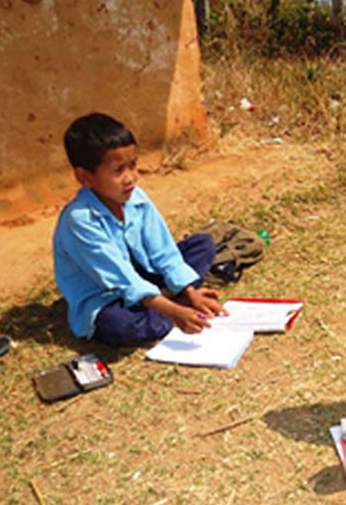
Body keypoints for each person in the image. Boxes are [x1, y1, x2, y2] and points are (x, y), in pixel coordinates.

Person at [53, 112, 226, 347]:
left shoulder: (136, 198)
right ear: (85, 177)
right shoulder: (79, 220)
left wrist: (191, 294)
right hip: (107, 295)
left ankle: (168, 298)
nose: (130, 178)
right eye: (118, 171)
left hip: (143, 276)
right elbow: (122, 279)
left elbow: (163, 252)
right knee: (120, 326)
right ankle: (165, 303)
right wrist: (175, 312)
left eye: (133, 166)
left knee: (202, 245)